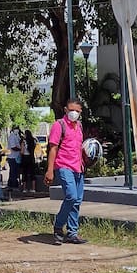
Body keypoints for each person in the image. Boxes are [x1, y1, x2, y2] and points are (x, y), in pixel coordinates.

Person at [45, 99, 88, 245]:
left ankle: (72, 233)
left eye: (77, 111)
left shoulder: (79, 126)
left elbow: (79, 147)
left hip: (78, 168)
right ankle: (58, 226)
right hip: (64, 166)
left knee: (77, 201)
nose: (74, 113)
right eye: (71, 110)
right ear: (65, 110)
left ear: (80, 112)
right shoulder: (59, 125)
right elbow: (53, 148)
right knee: (71, 196)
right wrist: (50, 170)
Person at [20, 130, 38, 195]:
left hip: (25, 158)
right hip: (31, 157)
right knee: (32, 173)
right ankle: (33, 188)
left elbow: (22, 151)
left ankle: (24, 188)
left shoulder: (24, 141)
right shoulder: (33, 141)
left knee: (25, 173)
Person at [7, 124, 23, 192]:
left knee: (14, 172)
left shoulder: (17, 136)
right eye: (16, 128)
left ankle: (11, 185)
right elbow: (13, 147)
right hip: (12, 157)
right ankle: (13, 186)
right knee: (14, 172)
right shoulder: (12, 136)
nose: (17, 130)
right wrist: (20, 149)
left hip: (16, 157)